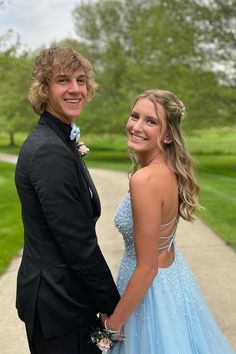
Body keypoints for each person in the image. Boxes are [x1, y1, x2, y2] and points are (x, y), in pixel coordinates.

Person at [102, 89, 235, 353]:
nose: (137, 126)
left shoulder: (144, 180)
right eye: (135, 116)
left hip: (148, 296)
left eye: (151, 121)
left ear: (168, 134)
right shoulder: (168, 171)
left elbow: (147, 268)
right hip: (172, 281)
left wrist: (112, 326)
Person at [15, 46, 120, 354]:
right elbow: (77, 242)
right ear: (44, 90)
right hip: (58, 304)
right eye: (63, 80)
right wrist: (112, 306)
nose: (76, 88)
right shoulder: (49, 150)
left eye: (81, 80)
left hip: (65, 299)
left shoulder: (60, 140)